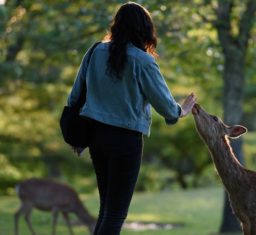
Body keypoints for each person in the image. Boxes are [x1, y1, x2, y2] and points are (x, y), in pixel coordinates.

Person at [66, 2, 197, 235]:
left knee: (106, 209)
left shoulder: (95, 51)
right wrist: (182, 111)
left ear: (116, 26)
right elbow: (166, 107)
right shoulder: (143, 61)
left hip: (96, 138)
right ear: (145, 29)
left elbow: (75, 96)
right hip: (125, 141)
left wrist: (78, 137)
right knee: (115, 213)